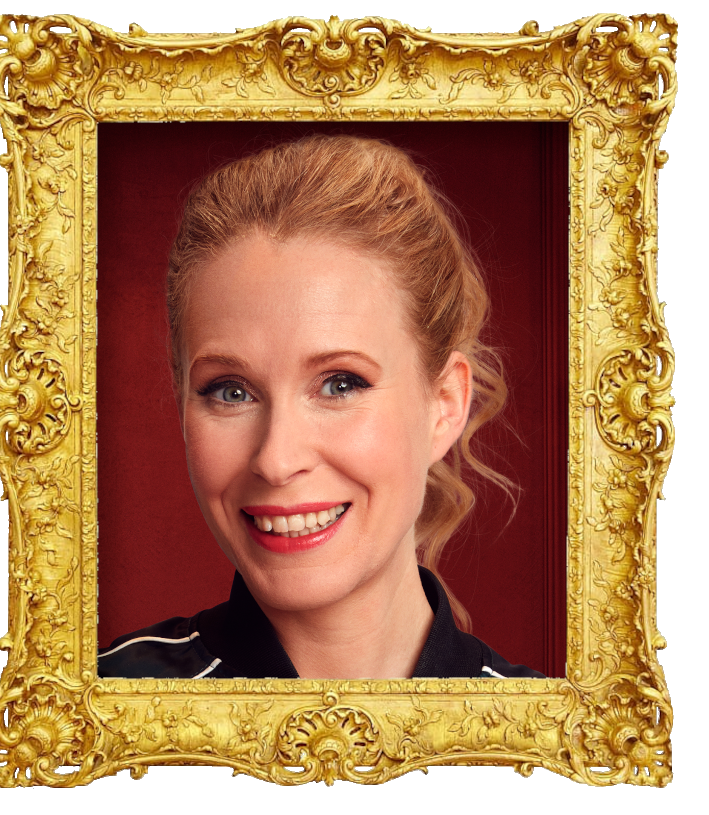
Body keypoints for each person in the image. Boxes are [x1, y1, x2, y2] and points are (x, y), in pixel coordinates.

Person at [98, 134, 544, 680]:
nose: (277, 460)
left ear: (444, 404)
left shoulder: (555, 741)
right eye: (231, 391)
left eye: (340, 384)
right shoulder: (93, 711)